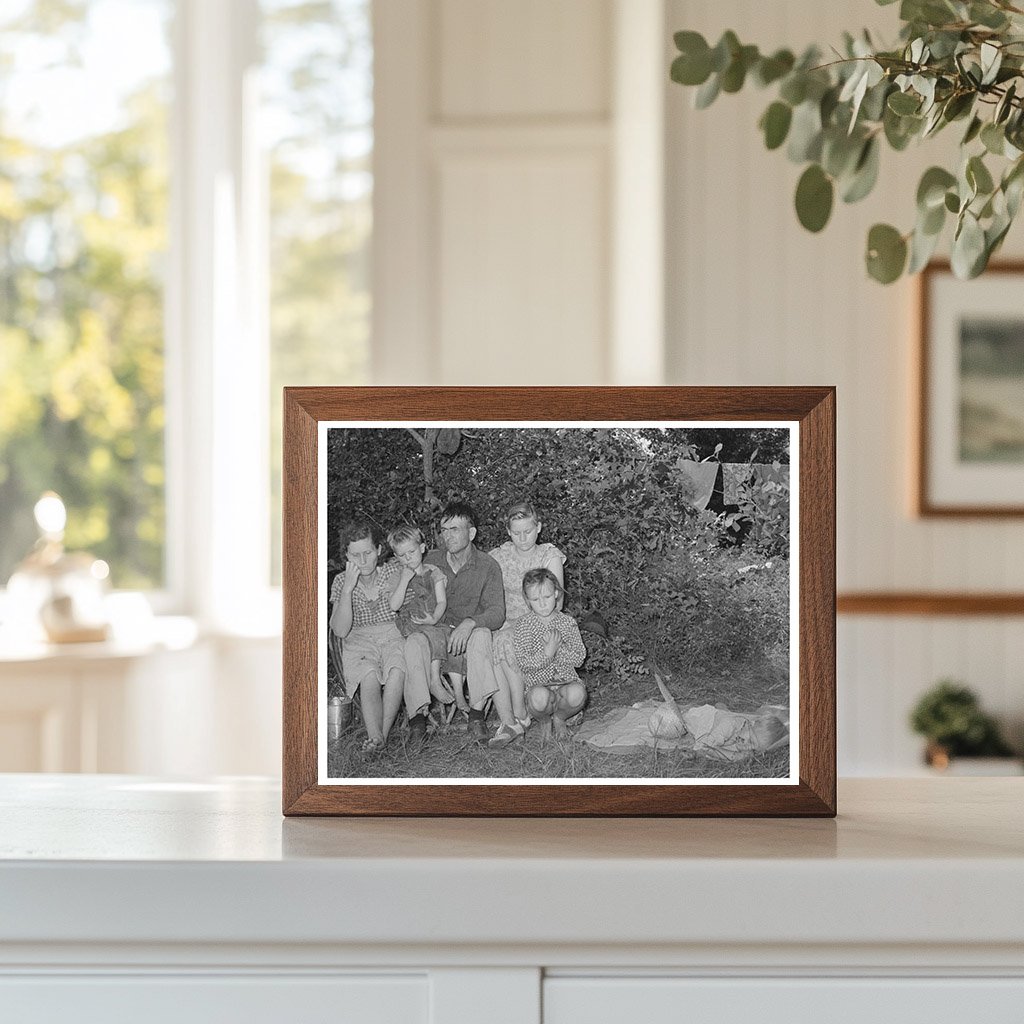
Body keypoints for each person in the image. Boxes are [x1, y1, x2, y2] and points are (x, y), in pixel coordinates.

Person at [423, 501, 521, 743]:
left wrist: (470, 623)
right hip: (439, 636)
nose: (447, 536)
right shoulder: (431, 561)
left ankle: (476, 715)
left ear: (472, 533)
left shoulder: (487, 565)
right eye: (444, 530)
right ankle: (417, 722)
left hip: (472, 638)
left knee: (482, 634)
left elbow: (497, 613)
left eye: (455, 529)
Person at [329, 521, 429, 752]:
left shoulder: (393, 572)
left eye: (367, 553)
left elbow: (418, 594)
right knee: (369, 675)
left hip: (392, 632)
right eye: (355, 555)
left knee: (396, 670)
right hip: (358, 639)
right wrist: (348, 590)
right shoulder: (342, 581)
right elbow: (341, 630)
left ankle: (377, 739)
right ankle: (377, 737)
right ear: (346, 555)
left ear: (379, 551)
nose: (362, 561)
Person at [488, 501, 567, 723]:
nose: (523, 538)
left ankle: (519, 713)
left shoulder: (548, 555)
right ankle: (509, 720)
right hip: (504, 622)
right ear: (508, 532)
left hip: (541, 621)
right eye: (516, 533)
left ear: (539, 527)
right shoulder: (499, 555)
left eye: (528, 531)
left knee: (505, 640)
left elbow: (557, 602)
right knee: (492, 640)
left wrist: (524, 627)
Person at [492, 567, 586, 747]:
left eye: (547, 597)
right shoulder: (524, 626)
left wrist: (557, 651)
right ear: (527, 600)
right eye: (535, 599)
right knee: (538, 698)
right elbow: (524, 664)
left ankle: (560, 718)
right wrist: (546, 654)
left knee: (578, 693)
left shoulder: (567, 622)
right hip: (539, 685)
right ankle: (544, 721)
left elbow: (580, 656)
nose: (542, 604)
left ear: (556, 593)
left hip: (566, 683)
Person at [387, 525, 458, 732]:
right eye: (402, 555)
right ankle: (419, 710)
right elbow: (394, 606)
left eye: (412, 552)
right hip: (412, 626)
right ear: (396, 557)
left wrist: (434, 618)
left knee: (436, 633)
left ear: (423, 548)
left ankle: (435, 679)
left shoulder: (434, 572)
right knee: (420, 639)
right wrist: (404, 581)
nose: (408, 558)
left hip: (432, 621)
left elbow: (442, 601)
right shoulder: (398, 577)